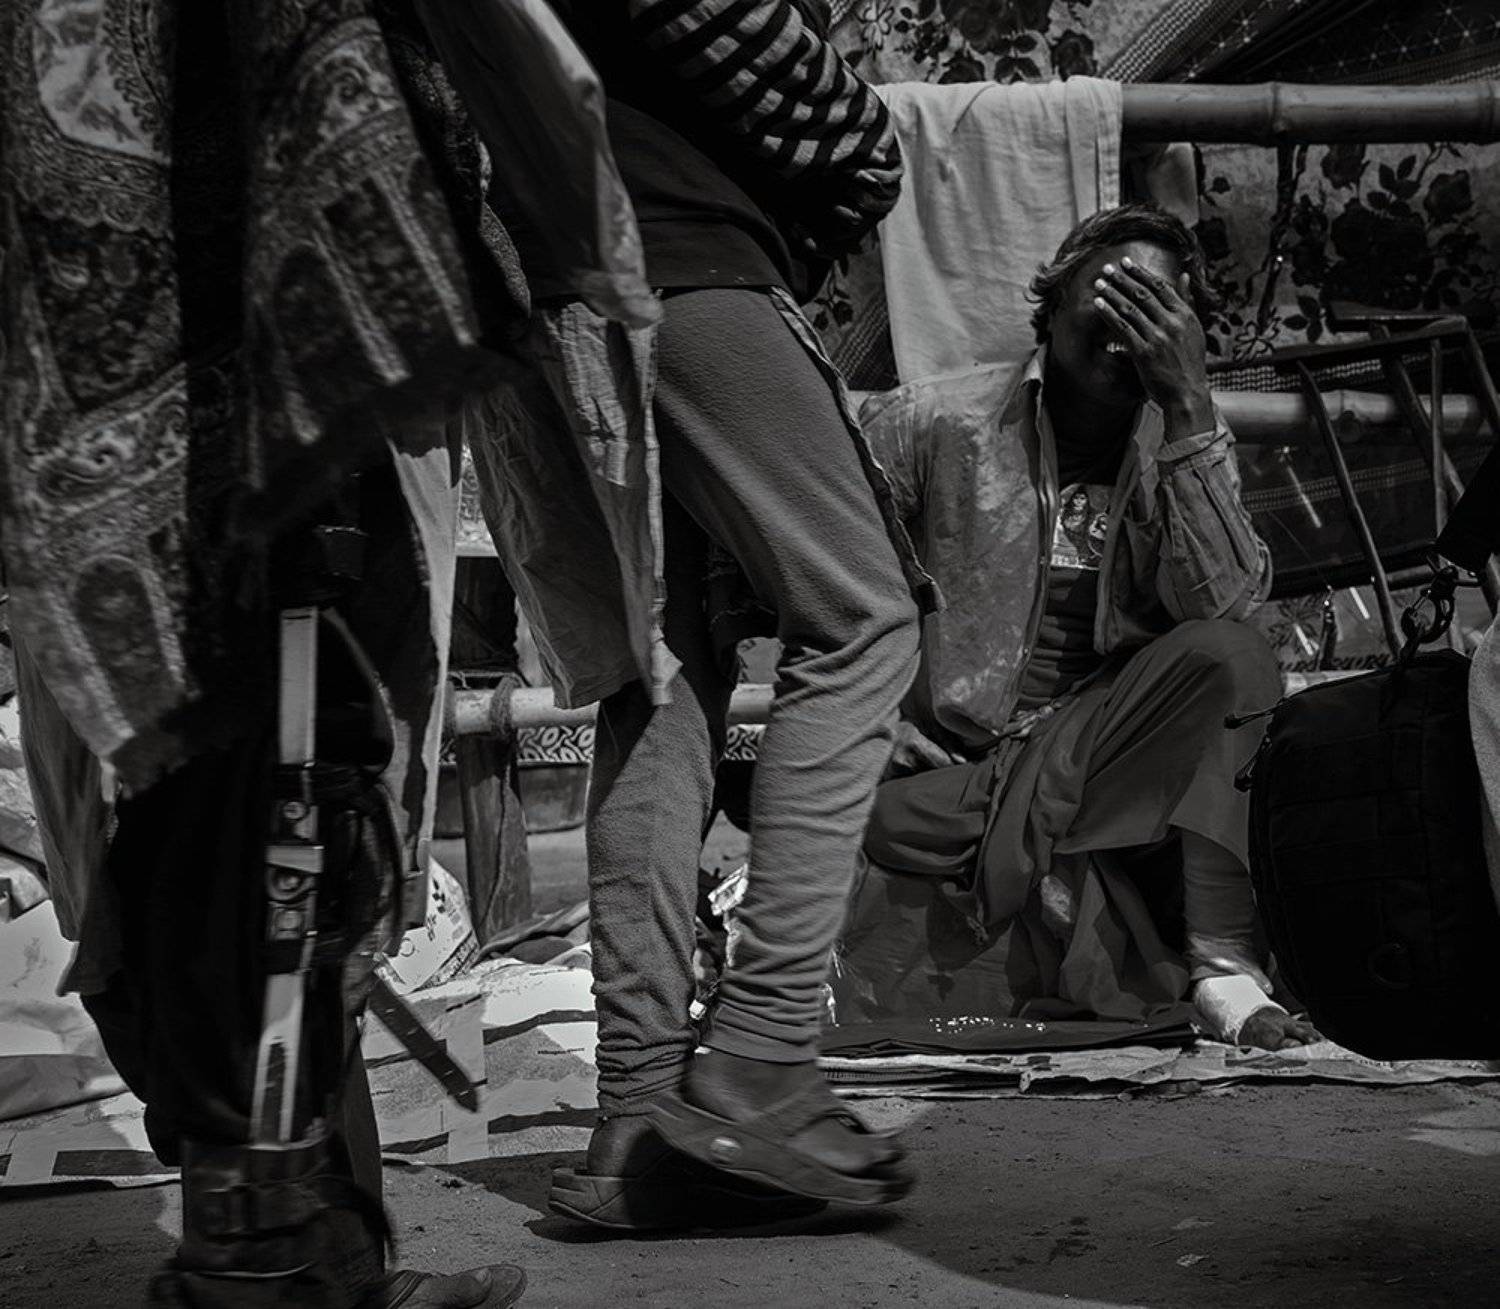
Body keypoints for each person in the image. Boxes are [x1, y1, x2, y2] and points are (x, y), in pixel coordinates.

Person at [458, 0, 935, 1230]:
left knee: (658, 680)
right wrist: (859, 146)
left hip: (526, 291)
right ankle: (763, 1057)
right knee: (863, 617)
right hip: (671, 251)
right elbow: (783, 72)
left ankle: (638, 1115)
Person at [855, 204, 1319, 1051]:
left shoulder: (1185, 437)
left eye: (1155, 306)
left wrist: (1187, 405)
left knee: (1233, 656)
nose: (1126, 326)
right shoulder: (936, 421)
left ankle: (1222, 964)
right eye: (1111, 294)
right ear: (1056, 298)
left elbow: (1226, 609)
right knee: (882, 819)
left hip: (1110, 753)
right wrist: (876, 715)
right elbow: (824, 575)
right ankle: (1050, 854)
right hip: (961, 766)